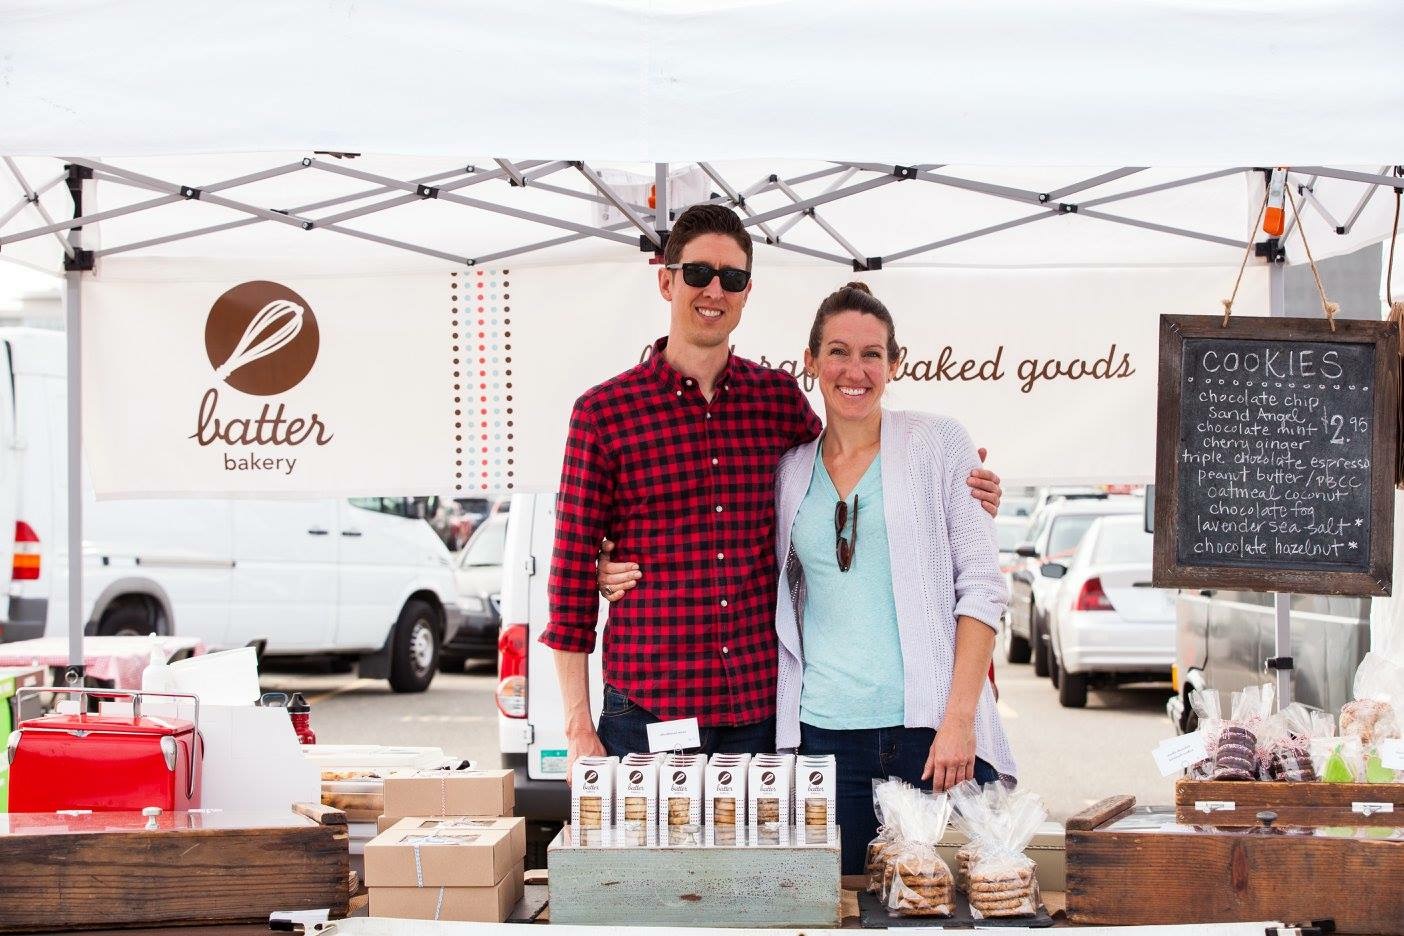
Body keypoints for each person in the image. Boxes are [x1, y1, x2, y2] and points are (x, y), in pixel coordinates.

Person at [542, 204, 1002, 775]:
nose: (714, 289)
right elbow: (567, 584)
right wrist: (578, 726)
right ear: (666, 280)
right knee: (649, 869)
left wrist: (959, 489)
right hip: (647, 709)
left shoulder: (777, 400)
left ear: (746, 291)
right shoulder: (603, 414)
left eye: (731, 277)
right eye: (698, 273)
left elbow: (845, 467)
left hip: (755, 714)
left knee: (759, 870)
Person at [775, 282, 1015, 875]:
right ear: (810, 361)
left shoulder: (939, 444)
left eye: (872, 354)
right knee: (846, 904)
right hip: (824, 735)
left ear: (894, 364)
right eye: (837, 351)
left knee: (939, 904)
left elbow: (982, 586)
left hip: (930, 734)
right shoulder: (789, 469)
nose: (854, 370)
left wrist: (958, 719)